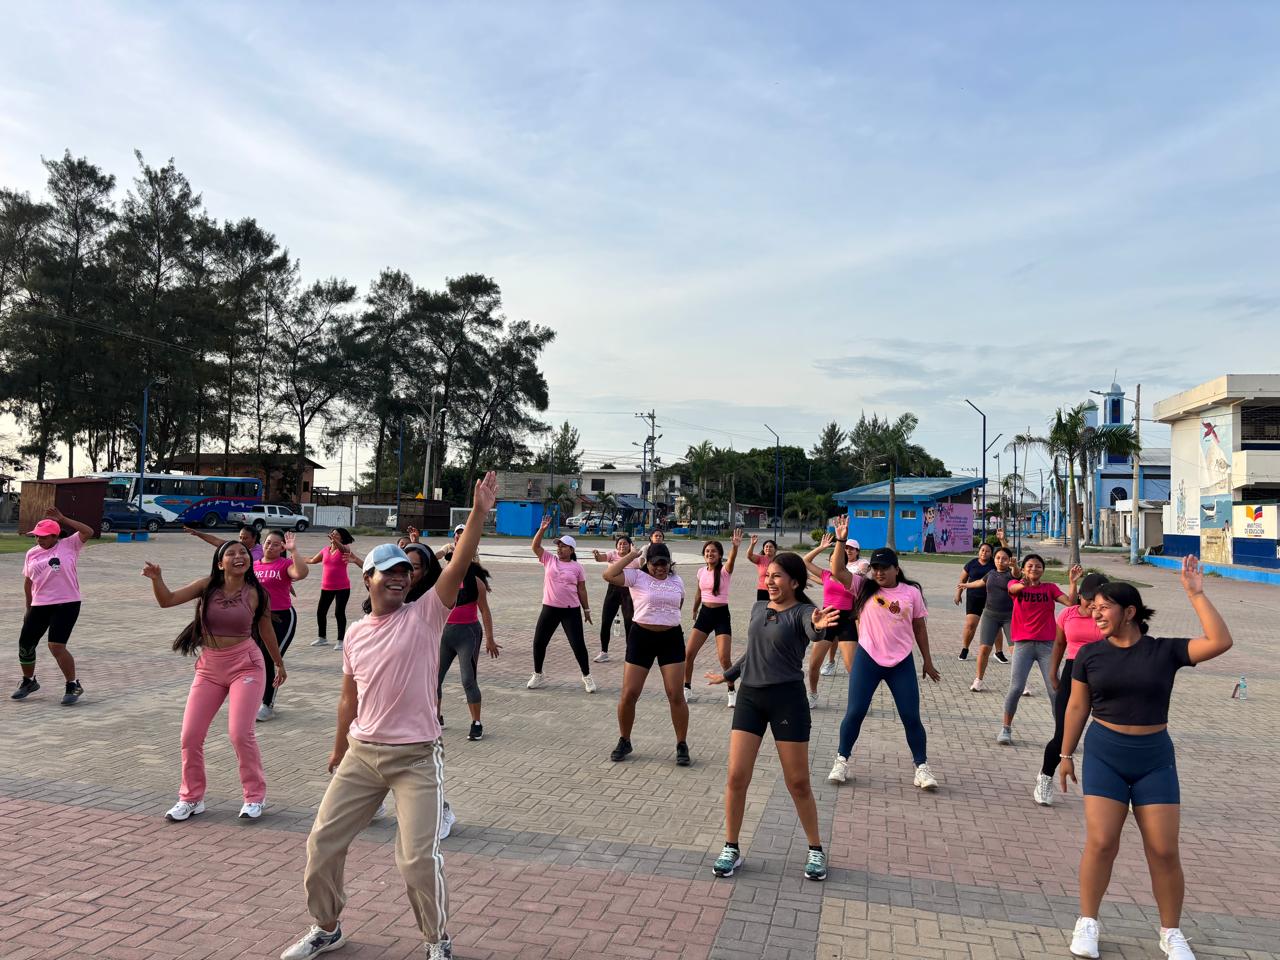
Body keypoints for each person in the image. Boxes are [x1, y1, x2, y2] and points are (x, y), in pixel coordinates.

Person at [279, 471, 499, 960]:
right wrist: (339, 749)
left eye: (405, 572)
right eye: (389, 572)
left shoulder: (426, 615)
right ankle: (327, 927)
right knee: (322, 844)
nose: (400, 577)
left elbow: (460, 563)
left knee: (416, 859)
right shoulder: (356, 634)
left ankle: (436, 940)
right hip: (362, 754)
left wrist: (478, 513)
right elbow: (348, 698)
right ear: (369, 579)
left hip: (416, 757)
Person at [1058, 558, 1231, 960]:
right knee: (1102, 842)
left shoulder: (1164, 651)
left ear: (1129, 612)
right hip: (1105, 755)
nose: (1095, 614)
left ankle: (1171, 932)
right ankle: (1088, 921)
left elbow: (1220, 641)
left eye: (1104, 608)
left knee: (1164, 850)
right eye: (1093, 608)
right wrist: (1065, 754)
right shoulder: (1089, 655)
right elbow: (1077, 707)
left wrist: (1196, 594)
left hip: (1154, 759)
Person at [705, 551, 839, 881]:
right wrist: (729, 675)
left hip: (787, 700)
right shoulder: (759, 607)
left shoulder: (804, 612)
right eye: (769, 576)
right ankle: (731, 847)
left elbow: (814, 630)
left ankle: (815, 849)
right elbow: (753, 651)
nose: (771, 581)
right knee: (736, 776)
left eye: (777, 576)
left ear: (794, 582)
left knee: (798, 782)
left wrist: (819, 627)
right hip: (750, 697)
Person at [142, 541, 284, 821]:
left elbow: (266, 630)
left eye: (243, 553)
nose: (238, 556)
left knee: (240, 733)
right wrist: (157, 579)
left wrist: (278, 662)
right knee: (190, 735)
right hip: (209, 667)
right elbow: (167, 600)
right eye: (230, 553)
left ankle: (254, 797)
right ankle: (191, 798)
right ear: (220, 564)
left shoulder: (257, 593)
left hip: (246, 665)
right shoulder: (207, 585)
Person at [825, 516, 940, 791]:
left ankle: (922, 767)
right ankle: (841, 760)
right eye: (875, 568)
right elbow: (837, 570)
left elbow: (919, 628)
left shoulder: (911, 593)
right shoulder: (863, 587)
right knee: (855, 712)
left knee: (910, 716)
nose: (878, 572)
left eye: (884, 568)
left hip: (901, 662)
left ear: (896, 569)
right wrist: (841, 540)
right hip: (867, 659)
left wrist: (927, 660)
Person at [603, 542, 690, 764]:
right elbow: (609, 574)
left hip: (670, 638)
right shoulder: (636, 577)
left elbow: (678, 604)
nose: (660, 568)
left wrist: (664, 619)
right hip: (641, 637)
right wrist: (633, 555)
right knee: (629, 693)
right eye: (655, 564)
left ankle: (681, 744)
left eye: (664, 564)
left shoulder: (677, 580)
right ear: (647, 563)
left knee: (675, 694)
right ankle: (625, 740)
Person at [1033, 572, 1108, 807]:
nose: (1090, 603)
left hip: (1104, 674)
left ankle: (1121, 789)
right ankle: (1045, 776)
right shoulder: (1068, 614)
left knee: (1112, 734)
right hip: (1073, 673)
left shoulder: (1108, 619)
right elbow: (1059, 643)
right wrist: (1052, 673)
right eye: (1088, 598)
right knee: (1063, 735)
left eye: (1097, 599)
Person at [12, 507, 93, 704]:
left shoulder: (69, 545)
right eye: (37, 536)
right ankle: (28, 681)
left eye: (44, 537)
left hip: (67, 603)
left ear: (55, 536)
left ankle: (73, 685)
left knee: (56, 646)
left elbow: (88, 531)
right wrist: (28, 607)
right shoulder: (31, 553)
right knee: (26, 644)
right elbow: (28, 581)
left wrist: (63, 518)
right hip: (40, 604)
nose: (39, 540)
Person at [997, 556, 1080, 745]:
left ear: (1043, 570)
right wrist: (1022, 583)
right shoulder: (1015, 584)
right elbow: (1013, 589)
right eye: (1030, 566)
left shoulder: (1050, 588)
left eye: (1038, 566)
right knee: (1016, 688)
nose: (1034, 568)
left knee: (1055, 690)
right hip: (1023, 645)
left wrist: (1073, 582)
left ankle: (1061, 735)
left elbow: (1071, 604)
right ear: (1024, 569)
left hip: (1047, 646)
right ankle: (1006, 728)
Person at [437, 546, 499, 743]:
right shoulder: (441, 580)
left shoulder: (476, 583)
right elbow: (423, 565)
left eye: (456, 559)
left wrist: (490, 638)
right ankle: (435, 718)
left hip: (468, 635)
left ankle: (476, 723)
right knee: (433, 679)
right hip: (444, 635)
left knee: (468, 680)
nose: (451, 563)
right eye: (449, 559)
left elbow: (485, 611)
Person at [527, 516, 595, 693]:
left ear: (571, 550)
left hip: (570, 611)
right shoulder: (549, 559)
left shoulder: (577, 567)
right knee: (539, 642)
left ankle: (587, 676)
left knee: (578, 645)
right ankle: (538, 674)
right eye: (558, 546)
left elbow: (581, 589)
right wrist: (542, 529)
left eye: (563, 546)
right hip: (549, 608)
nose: (559, 548)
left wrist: (586, 610)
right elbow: (535, 547)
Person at [253, 529, 309, 720]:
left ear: (282, 548)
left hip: (282, 617)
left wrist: (294, 551)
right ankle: (255, 699)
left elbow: (301, 573)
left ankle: (267, 704)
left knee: (270, 659)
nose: (270, 547)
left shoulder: (285, 564)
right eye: (268, 542)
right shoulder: (254, 566)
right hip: (258, 618)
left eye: (276, 544)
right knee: (256, 659)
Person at [683, 529, 743, 706]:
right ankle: (686, 687)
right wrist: (694, 609)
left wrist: (735, 547)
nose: (710, 554)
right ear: (704, 554)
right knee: (688, 654)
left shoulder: (724, 571)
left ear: (719, 555)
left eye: (713, 551)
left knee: (724, 658)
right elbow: (698, 592)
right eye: (707, 551)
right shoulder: (701, 571)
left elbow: (731, 561)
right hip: (704, 615)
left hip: (721, 615)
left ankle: (731, 689)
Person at [798, 534, 859, 704]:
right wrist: (821, 547)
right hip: (827, 620)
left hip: (846, 622)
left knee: (852, 668)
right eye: (831, 560)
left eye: (836, 561)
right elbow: (805, 561)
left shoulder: (852, 578)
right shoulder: (825, 575)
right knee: (813, 665)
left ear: (843, 563)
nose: (833, 564)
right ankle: (813, 694)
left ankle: (858, 699)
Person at [959, 545, 1015, 691]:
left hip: (1009, 617)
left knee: (1015, 650)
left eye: (1004, 559)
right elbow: (980, 582)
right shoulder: (991, 573)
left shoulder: (1012, 574)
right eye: (998, 558)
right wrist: (966, 585)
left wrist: (1014, 566)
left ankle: (1021, 683)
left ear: (1009, 560)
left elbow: (1016, 573)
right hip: (990, 615)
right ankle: (978, 680)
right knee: (984, 649)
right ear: (994, 559)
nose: (1000, 561)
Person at [305, 529, 362, 649]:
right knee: (321, 612)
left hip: (343, 587)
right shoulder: (325, 550)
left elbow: (343, 549)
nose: (333, 535)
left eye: (337, 534)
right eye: (333, 533)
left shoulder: (345, 549)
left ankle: (341, 641)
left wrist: (336, 542)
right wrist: (295, 558)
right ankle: (322, 638)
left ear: (342, 538)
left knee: (339, 613)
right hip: (326, 587)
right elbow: (312, 560)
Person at [590, 535, 638, 663]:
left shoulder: (634, 558)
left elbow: (643, 566)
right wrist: (596, 555)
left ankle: (630, 653)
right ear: (616, 546)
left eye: (625, 543)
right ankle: (604, 652)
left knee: (629, 623)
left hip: (628, 592)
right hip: (612, 591)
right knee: (606, 621)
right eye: (620, 544)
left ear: (630, 546)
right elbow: (600, 558)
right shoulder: (612, 554)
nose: (622, 546)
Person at [954, 542, 995, 661]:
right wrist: (958, 594)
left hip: (991, 599)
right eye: (982, 550)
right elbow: (962, 580)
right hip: (974, 598)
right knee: (970, 625)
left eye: (987, 551)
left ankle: (999, 652)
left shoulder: (995, 564)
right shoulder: (971, 564)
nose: (984, 553)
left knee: (996, 627)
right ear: (979, 551)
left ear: (991, 553)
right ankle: (965, 649)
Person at [186, 523, 264, 562]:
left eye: (245, 538)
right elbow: (216, 541)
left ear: (254, 538)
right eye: (240, 537)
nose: (241, 541)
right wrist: (198, 533)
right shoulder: (237, 545)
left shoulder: (262, 550)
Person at [746, 535, 777, 601]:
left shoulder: (779, 559)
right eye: (766, 547)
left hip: (776, 589)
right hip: (762, 590)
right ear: (763, 549)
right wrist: (752, 544)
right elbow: (749, 555)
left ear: (775, 549)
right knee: (761, 607)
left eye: (771, 547)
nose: (768, 548)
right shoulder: (760, 559)